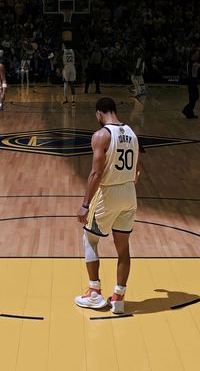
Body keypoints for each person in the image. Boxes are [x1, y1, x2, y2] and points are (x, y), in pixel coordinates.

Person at [75, 97, 140, 314]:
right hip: (129, 193)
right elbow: (138, 172)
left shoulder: (102, 135)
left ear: (99, 114)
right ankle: (119, 298)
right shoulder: (132, 133)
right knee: (123, 247)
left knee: (89, 238)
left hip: (109, 193)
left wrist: (85, 204)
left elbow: (96, 173)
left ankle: (94, 293)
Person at [182, 49, 200, 119]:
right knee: (195, 96)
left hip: (192, 81)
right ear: (193, 54)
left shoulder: (191, 62)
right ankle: (186, 110)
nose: (198, 55)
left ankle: (189, 112)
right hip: (192, 82)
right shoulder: (192, 62)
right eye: (197, 54)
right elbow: (199, 65)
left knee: (193, 97)